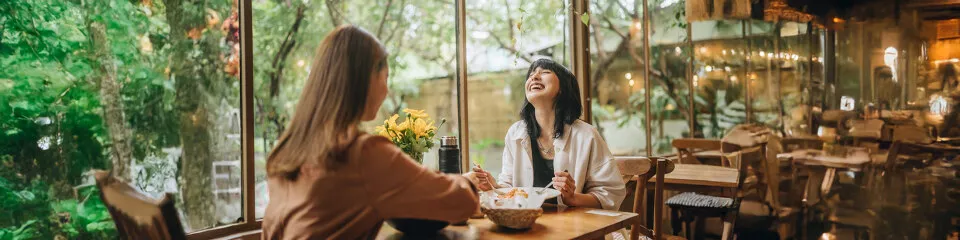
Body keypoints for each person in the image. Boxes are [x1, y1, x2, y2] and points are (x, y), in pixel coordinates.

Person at [261, 25, 478, 240]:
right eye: (386, 77)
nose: (386, 89)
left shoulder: (287, 152)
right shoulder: (363, 152)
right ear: (365, 80)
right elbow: (462, 201)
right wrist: (468, 181)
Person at [470, 58, 626, 211]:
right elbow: (510, 188)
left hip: (576, 229)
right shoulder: (515, 134)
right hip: (527, 227)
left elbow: (611, 194)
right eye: (531, 74)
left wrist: (573, 198)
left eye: (544, 72)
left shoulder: (587, 135)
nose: (534, 76)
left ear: (563, 88)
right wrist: (494, 187)